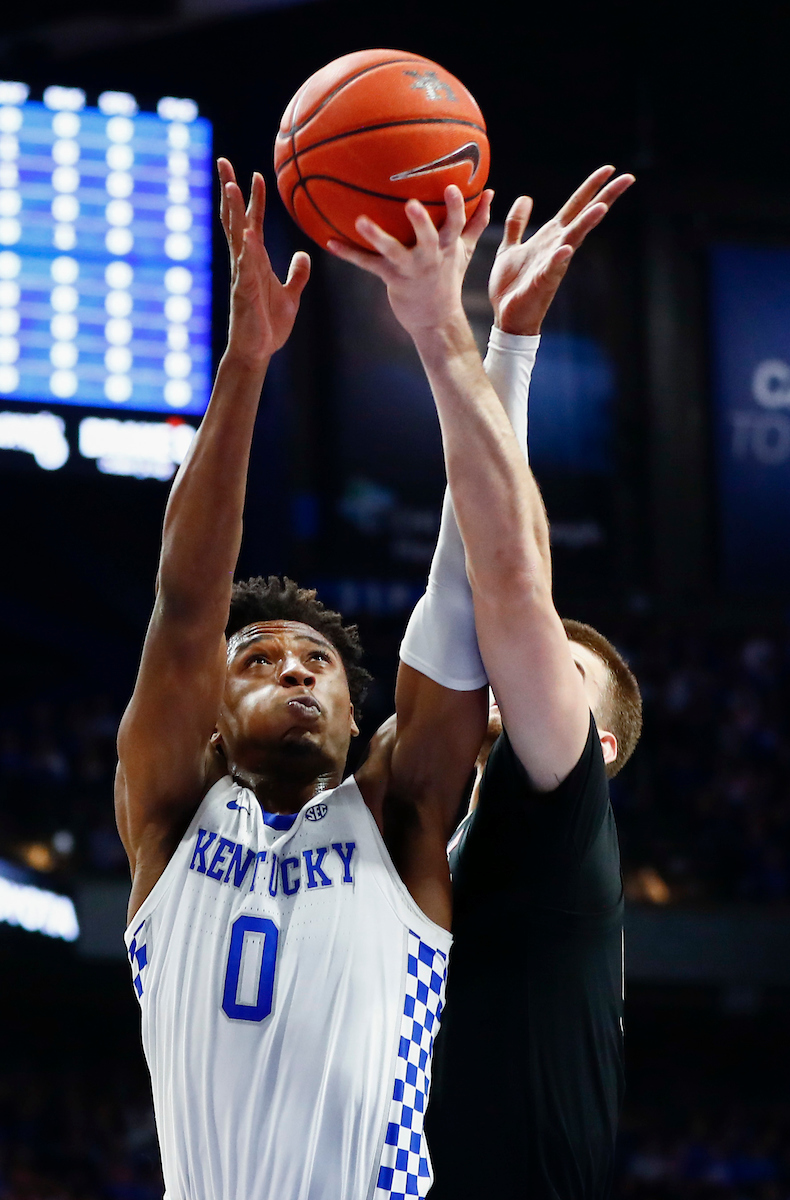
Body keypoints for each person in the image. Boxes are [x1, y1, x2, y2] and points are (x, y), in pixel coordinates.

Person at [116, 157, 503, 1200]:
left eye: (316, 663)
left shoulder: (396, 817)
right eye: (259, 661)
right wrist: (243, 367)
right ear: (212, 714)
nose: (292, 669)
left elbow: (466, 601)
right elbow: (186, 600)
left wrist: (452, 344)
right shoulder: (169, 819)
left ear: (351, 710)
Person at [332, 168, 641, 1198]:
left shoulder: (562, 811)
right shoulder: (461, 824)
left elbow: (507, 584)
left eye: (557, 673)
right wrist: (504, 346)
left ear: (595, 746)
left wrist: (443, 333)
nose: (521, 681)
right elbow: (474, 591)